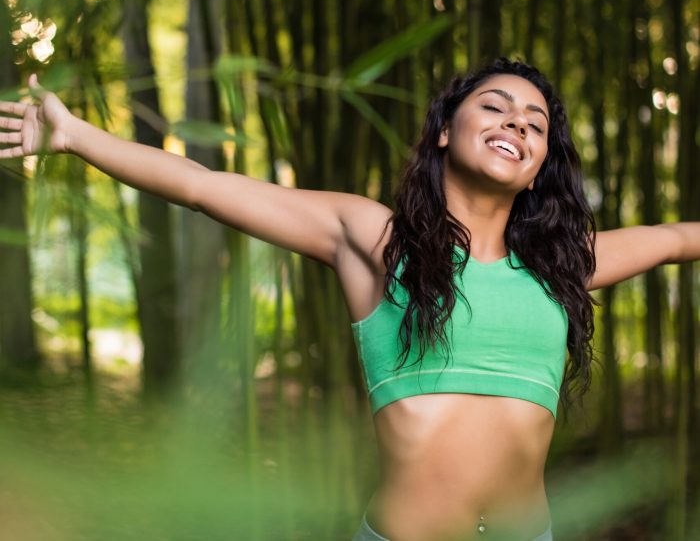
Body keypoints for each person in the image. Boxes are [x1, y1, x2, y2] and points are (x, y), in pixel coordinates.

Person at [0, 58, 697, 541]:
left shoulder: (560, 267)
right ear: (444, 130)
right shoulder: (376, 238)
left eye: (535, 124)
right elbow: (202, 186)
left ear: (540, 168)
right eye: (496, 106)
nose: (517, 123)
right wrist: (75, 136)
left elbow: (672, 237)